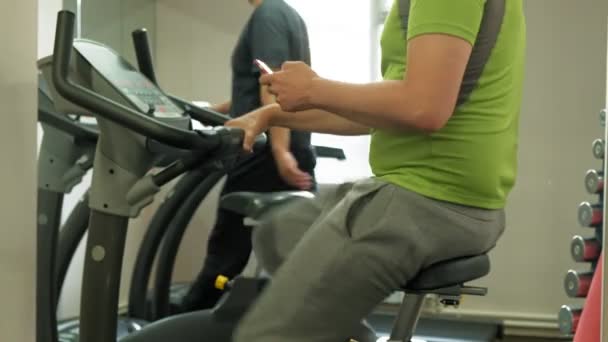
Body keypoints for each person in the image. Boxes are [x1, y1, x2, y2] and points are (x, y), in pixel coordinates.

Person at [225, 0, 526, 341]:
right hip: (438, 195)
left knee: (264, 336)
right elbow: (387, 112)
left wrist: (314, 88)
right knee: (278, 232)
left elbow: (423, 108)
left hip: (430, 198)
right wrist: (271, 116)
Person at [180, 0, 316, 312]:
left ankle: (184, 328)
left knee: (224, 258)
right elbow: (256, 87)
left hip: (262, 152)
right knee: (297, 258)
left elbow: (272, 85)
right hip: (288, 147)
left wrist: (280, 150)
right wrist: (210, 111)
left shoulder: (267, 15)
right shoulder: (288, 15)